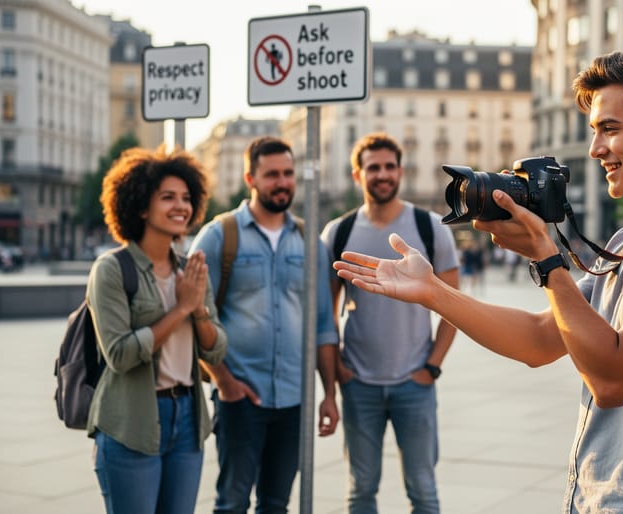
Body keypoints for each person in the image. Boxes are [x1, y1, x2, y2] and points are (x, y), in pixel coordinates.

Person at [333, 43, 623, 513]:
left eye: (609, 129)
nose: (595, 148)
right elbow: (541, 339)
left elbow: (615, 380)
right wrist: (433, 292)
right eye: (594, 131)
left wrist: (547, 260)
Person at [189, 136, 340, 514]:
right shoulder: (220, 234)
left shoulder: (310, 242)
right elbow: (192, 314)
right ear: (250, 178)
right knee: (232, 502)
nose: (282, 182)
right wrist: (224, 382)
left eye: (288, 173)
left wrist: (329, 393)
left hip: (294, 398)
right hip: (240, 396)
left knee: (276, 504)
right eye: (271, 174)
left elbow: (323, 323)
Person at [321, 133, 459, 514]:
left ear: (400, 171)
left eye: (389, 167)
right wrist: (338, 374)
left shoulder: (429, 227)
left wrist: (431, 368)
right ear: (357, 174)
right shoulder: (338, 232)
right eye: (373, 167)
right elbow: (325, 315)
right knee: (360, 491)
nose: (382, 174)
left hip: (414, 383)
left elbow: (456, 307)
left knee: (423, 491)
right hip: (358, 384)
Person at [87, 146, 227, 514]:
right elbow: (119, 354)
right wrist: (180, 307)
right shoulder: (112, 270)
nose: (180, 206)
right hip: (131, 422)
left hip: (188, 421)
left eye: (185, 198)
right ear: (141, 207)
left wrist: (197, 309)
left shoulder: (192, 269)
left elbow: (215, 351)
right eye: (168, 197)